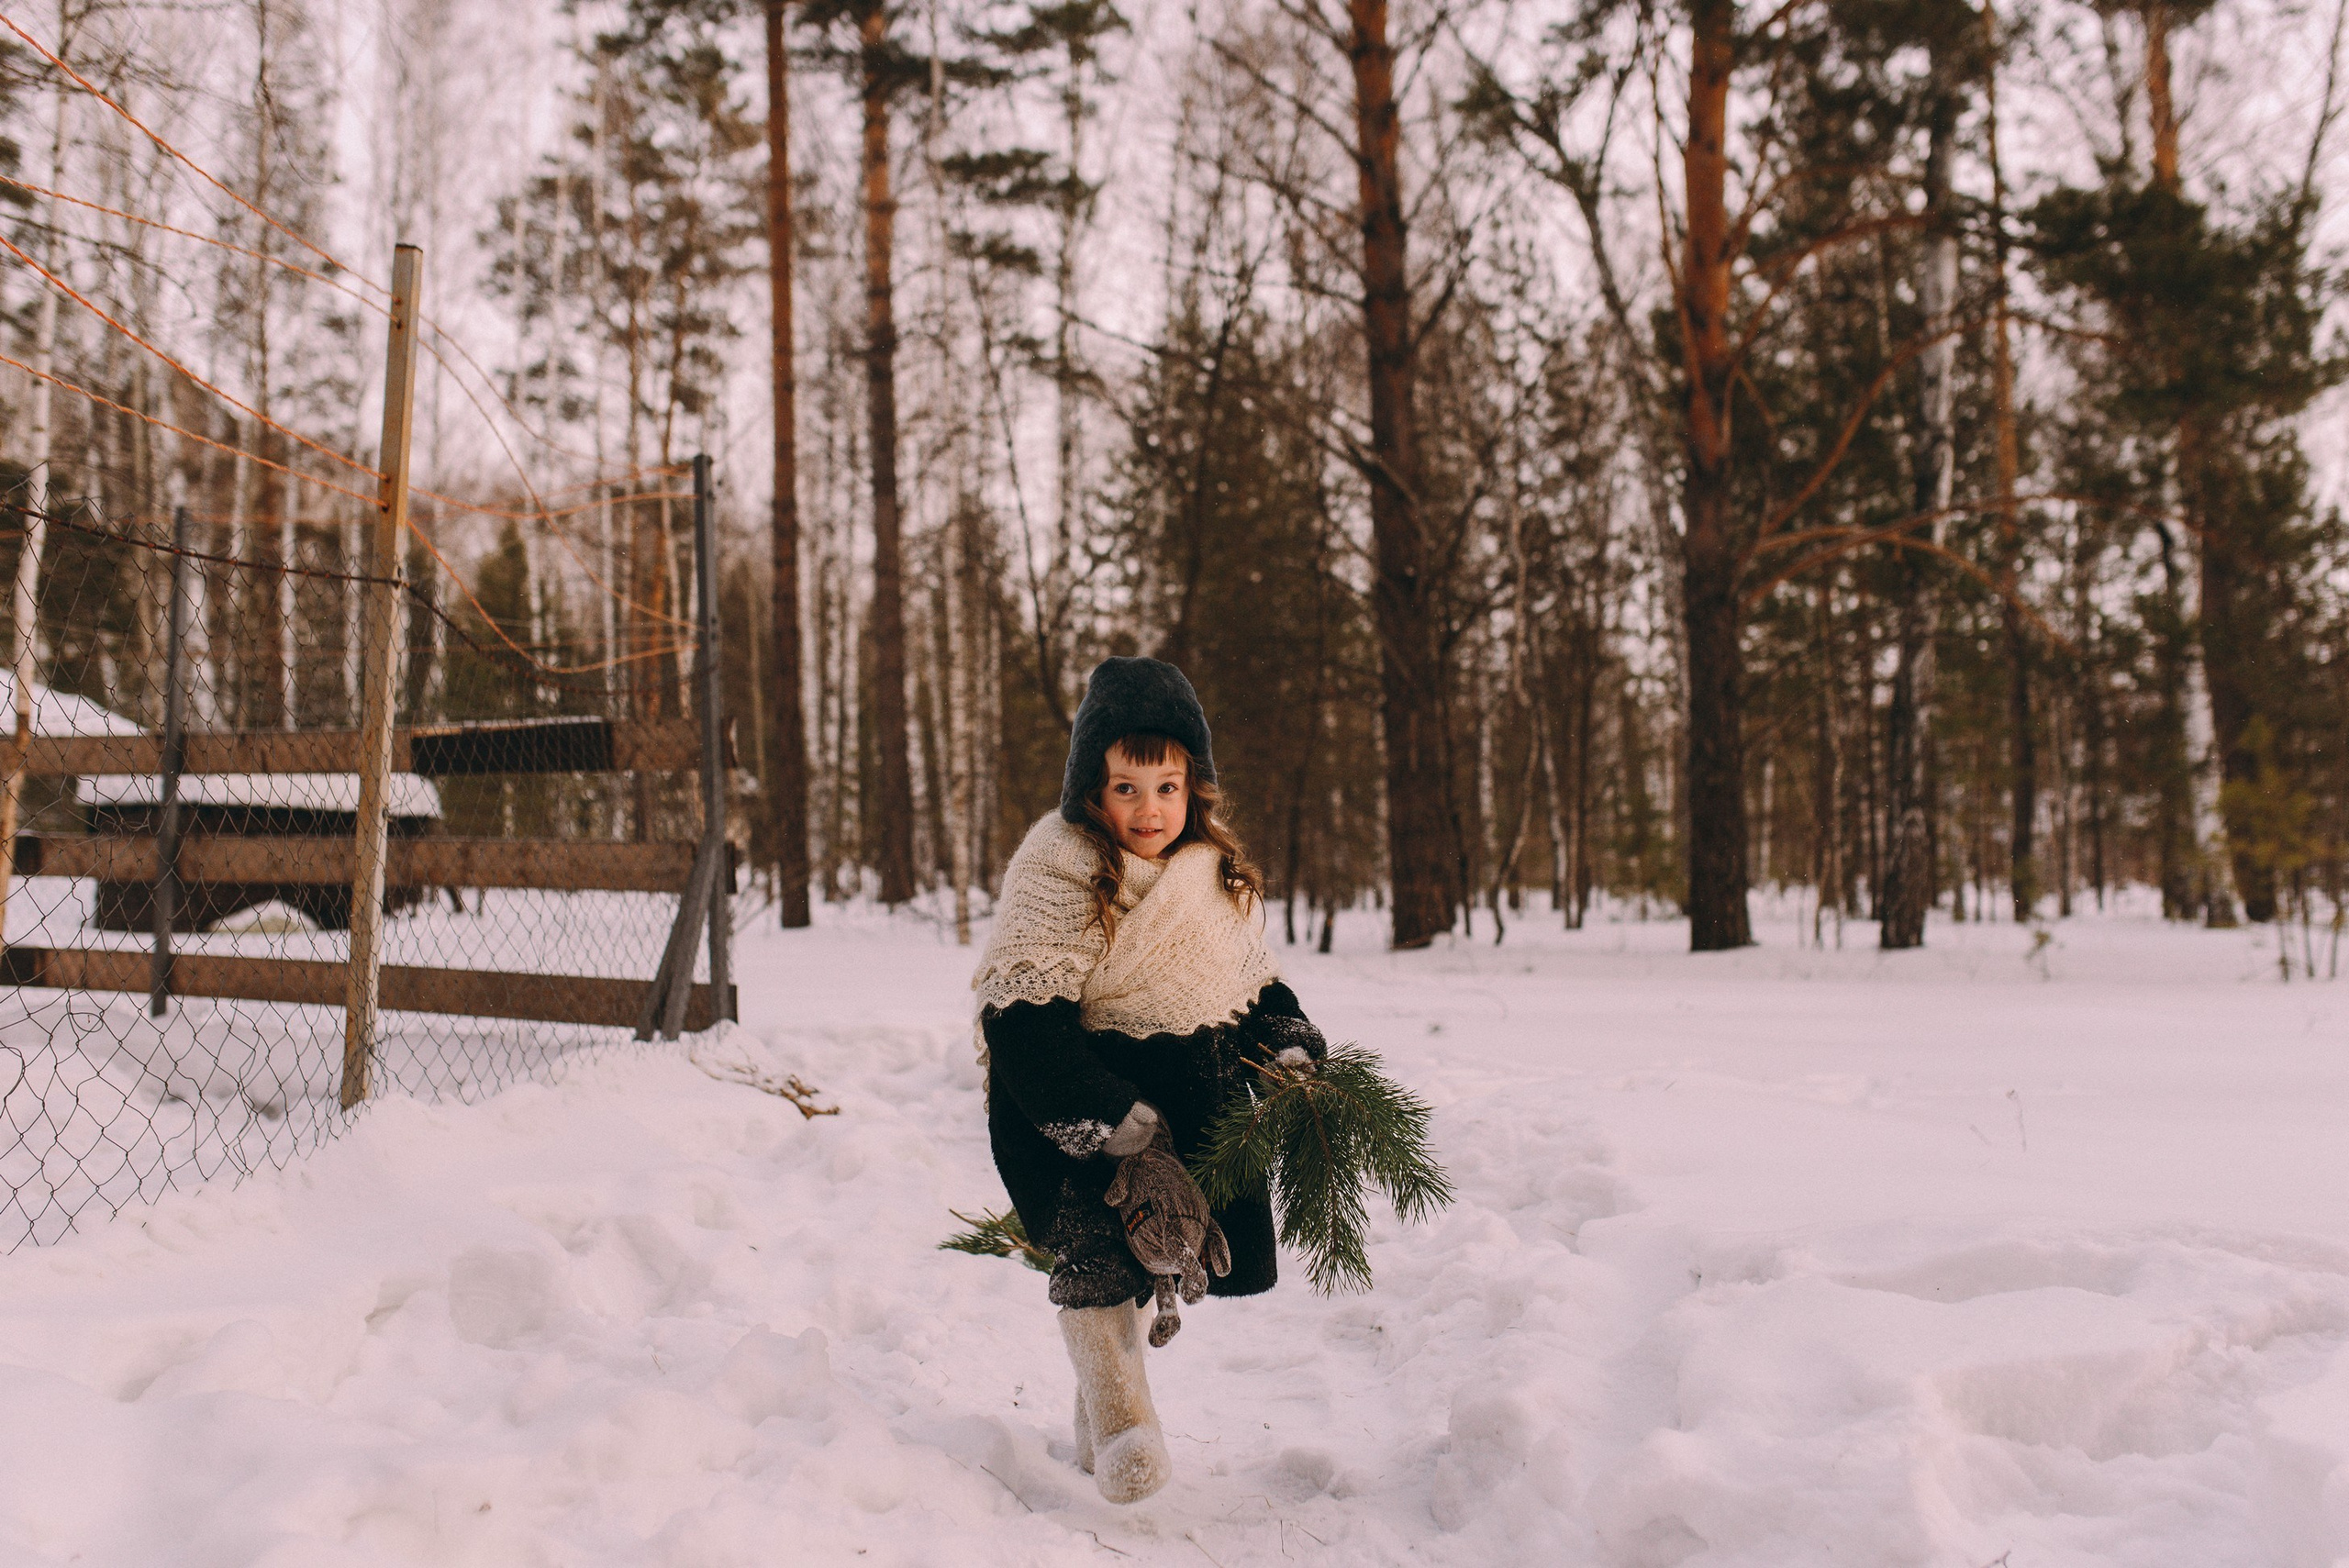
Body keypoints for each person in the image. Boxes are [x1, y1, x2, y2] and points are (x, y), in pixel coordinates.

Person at [973, 657, 1327, 1504]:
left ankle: (1096, 1419)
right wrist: (1105, 1113)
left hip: (1182, 1097)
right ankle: (1126, 1424)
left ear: (1192, 786)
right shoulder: (1055, 868)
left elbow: (1251, 988)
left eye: (1167, 787)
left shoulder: (1212, 875)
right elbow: (1022, 1015)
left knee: (1147, 1254)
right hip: (1071, 1098)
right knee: (1097, 1253)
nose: (1149, 809)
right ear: (1091, 790)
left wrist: (1286, 1045)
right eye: (1125, 789)